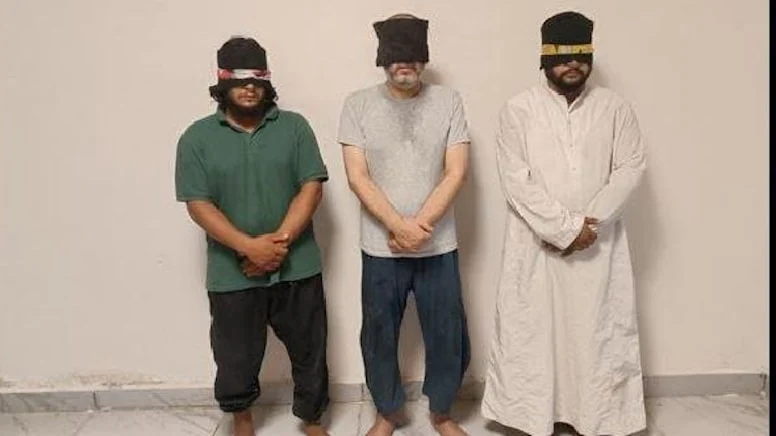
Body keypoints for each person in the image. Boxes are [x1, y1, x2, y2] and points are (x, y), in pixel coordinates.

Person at [481, 11, 648, 436]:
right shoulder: (518, 110)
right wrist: (564, 229)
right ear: (545, 58)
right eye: (563, 55)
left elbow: (630, 167)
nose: (573, 63)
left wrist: (590, 224)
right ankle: (534, 416)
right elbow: (515, 180)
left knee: (593, 332)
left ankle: (594, 417)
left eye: (581, 55)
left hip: (598, 245)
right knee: (536, 332)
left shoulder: (614, 108)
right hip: (536, 246)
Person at [175, 37, 330, 436]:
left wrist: (277, 245)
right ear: (222, 83)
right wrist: (249, 248)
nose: (249, 88)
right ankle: (241, 417)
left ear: (266, 82)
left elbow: (311, 187)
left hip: (297, 266)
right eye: (239, 80)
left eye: (257, 80)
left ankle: (312, 418)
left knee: (309, 348)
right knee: (235, 354)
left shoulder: (294, 127)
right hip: (232, 272)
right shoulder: (196, 138)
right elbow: (198, 204)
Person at [338, 13, 472, 436]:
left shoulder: (449, 101)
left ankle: (442, 412)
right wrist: (397, 226)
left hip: (438, 244)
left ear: (424, 57)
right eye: (396, 54)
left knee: (448, 332)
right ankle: (388, 411)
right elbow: (357, 176)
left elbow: (456, 171)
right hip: (381, 247)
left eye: (413, 54)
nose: (405, 63)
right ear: (383, 58)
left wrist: (418, 227)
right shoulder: (357, 104)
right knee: (378, 333)